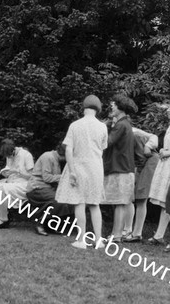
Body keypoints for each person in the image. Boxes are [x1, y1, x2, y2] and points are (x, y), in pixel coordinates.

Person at [55, 95, 108, 248]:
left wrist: (71, 171)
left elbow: (69, 150)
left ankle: (82, 240)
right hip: (96, 168)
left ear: (84, 107)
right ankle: (99, 240)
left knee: (79, 202)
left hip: (79, 166)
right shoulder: (102, 126)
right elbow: (102, 148)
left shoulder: (75, 125)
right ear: (98, 109)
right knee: (94, 203)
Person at [147, 99, 170, 245]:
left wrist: (169, 153)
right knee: (166, 201)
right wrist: (163, 150)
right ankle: (162, 235)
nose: (167, 111)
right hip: (167, 165)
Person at [101, 94, 136, 242]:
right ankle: (117, 234)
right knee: (119, 203)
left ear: (120, 107)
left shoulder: (121, 125)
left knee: (119, 203)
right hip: (123, 168)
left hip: (120, 168)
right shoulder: (125, 124)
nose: (112, 107)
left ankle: (116, 235)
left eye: (114, 105)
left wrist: (104, 126)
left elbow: (107, 142)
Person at [122, 127, 159, 242]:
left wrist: (135, 176)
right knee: (128, 197)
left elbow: (141, 158)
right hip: (138, 164)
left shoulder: (134, 135)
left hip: (149, 163)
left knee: (140, 197)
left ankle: (136, 233)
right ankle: (127, 230)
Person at [0, 139, 34, 229]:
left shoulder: (26, 155)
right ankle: (5, 214)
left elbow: (31, 176)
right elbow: (8, 170)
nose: (8, 157)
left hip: (24, 184)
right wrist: (5, 173)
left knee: (1, 189)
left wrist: (17, 171)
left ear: (13, 150)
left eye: (8, 155)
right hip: (11, 182)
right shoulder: (9, 156)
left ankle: (3, 219)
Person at [26, 143, 71, 236]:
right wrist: (64, 177)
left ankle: (50, 226)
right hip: (36, 188)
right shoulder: (48, 157)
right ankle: (39, 223)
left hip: (46, 188)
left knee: (67, 200)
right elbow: (47, 178)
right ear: (64, 153)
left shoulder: (57, 160)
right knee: (58, 200)